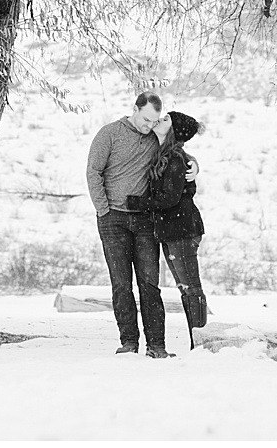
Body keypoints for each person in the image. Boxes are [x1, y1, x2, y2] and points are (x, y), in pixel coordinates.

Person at [86, 89, 169, 358]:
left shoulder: (157, 138)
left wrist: (196, 167)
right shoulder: (109, 134)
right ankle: (129, 341)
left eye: (154, 122)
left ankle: (156, 345)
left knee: (149, 283)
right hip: (113, 220)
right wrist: (103, 210)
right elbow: (93, 171)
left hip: (144, 219)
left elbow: (180, 155)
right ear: (135, 109)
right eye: (145, 120)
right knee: (122, 284)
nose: (149, 126)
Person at [127, 110, 208, 350]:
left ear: (173, 131)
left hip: (182, 229)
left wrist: (138, 203)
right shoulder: (166, 153)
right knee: (186, 288)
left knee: (191, 287)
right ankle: (198, 342)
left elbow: (170, 199)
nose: (159, 119)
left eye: (165, 120)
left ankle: (201, 343)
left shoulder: (175, 158)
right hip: (172, 230)